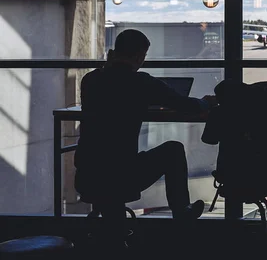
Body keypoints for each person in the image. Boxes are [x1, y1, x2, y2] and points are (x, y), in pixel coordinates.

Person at [74, 29, 217, 220]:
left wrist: (108, 65)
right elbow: (183, 104)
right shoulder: (141, 82)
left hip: (88, 175)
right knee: (173, 151)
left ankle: (112, 235)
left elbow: (111, 94)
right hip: (121, 176)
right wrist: (206, 102)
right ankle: (182, 211)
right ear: (140, 56)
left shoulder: (90, 80)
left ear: (114, 52)